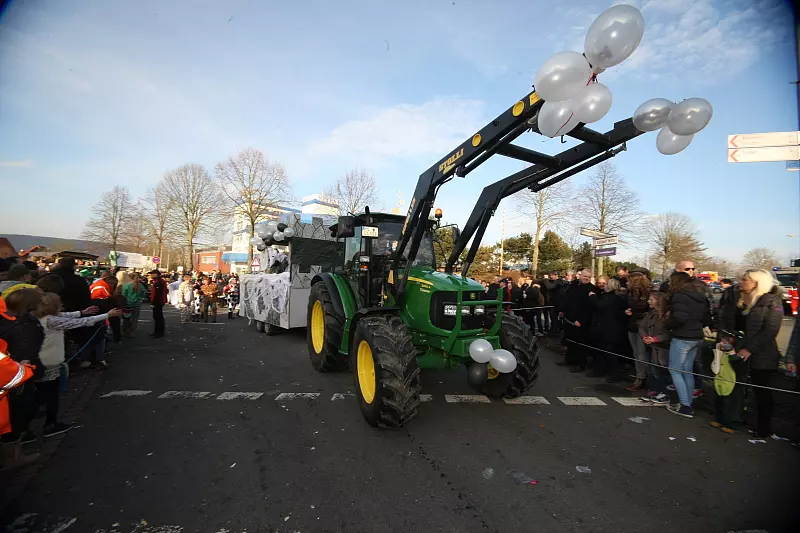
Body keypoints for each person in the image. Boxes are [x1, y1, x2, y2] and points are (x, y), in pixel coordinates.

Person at [33, 293, 120, 438]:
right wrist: (106, 315)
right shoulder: (51, 320)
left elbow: (67, 316)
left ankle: (35, 423)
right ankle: (48, 424)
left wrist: (81, 312)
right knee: (49, 395)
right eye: (59, 303)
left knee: (43, 394)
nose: (62, 305)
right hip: (49, 362)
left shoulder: (42, 316)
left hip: (46, 361)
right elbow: (80, 322)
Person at [716, 269, 782, 437]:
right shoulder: (737, 298)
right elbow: (728, 321)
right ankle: (732, 418)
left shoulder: (771, 301)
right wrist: (725, 337)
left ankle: (763, 427)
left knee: (761, 390)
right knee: (735, 385)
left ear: (756, 283)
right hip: (736, 347)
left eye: (745, 279)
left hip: (762, 353)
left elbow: (770, 330)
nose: (741, 282)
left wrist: (750, 349)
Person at [0, 289, 45, 449]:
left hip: (16, 372)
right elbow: (25, 351)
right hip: (17, 375)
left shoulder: (16, 321)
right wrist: (26, 368)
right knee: (17, 413)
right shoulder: (21, 325)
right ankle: (13, 452)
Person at [665, 271, 712, 418]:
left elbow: (680, 317)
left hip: (683, 336)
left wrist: (668, 324)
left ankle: (685, 405)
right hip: (697, 335)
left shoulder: (679, 296)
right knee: (687, 370)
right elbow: (706, 317)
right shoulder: (700, 296)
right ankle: (689, 402)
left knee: (675, 370)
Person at [588, 277, 628, 380]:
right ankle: (600, 370)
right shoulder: (609, 296)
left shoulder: (613, 297)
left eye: (606, 284)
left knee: (610, 352)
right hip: (604, 327)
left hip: (609, 329)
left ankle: (614, 375)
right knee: (601, 351)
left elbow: (601, 306)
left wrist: (592, 297)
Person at [560, 269, 597, 372]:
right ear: (580, 275)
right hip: (569, 318)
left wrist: (581, 320)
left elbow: (589, 308)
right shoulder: (574, 285)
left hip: (581, 321)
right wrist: (563, 310)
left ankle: (581, 364)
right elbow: (568, 299)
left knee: (581, 343)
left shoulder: (592, 289)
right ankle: (569, 360)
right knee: (570, 340)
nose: (586, 278)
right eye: (585, 276)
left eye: (588, 277)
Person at [639, 292, 672, 405]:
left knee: (662, 370)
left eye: (651, 299)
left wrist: (655, 339)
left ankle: (664, 393)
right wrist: (645, 337)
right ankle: (656, 389)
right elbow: (642, 326)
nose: (648, 301)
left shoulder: (667, 315)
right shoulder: (651, 313)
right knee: (652, 369)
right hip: (651, 345)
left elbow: (669, 333)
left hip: (662, 347)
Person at [625, 270, 652, 391]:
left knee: (642, 354)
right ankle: (640, 376)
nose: (627, 283)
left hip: (642, 326)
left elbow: (646, 310)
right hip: (632, 324)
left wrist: (634, 313)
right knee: (636, 353)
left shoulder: (647, 293)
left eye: (628, 281)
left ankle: (644, 378)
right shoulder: (630, 292)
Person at [121, 272, 144, 337]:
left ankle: (125, 330)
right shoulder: (140, 285)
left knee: (126, 318)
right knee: (135, 318)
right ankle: (132, 332)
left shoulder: (126, 286)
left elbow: (123, 295)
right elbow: (143, 294)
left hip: (127, 304)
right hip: (137, 304)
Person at [149, 270, 168, 337]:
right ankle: (157, 331)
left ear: (156, 274)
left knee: (158, 317)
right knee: (157, 317)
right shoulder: (158, 281)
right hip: (159, 301)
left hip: (158, 302)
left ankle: (159, 332)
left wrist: (153, 303)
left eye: (152, 274)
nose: (151, 275)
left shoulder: (158, 282)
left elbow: (158, 294)